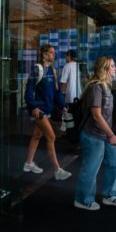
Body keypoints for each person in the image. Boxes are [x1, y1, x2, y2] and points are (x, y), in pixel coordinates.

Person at [74, 56, 116, 210]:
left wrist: (109, 135)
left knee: (115, 162)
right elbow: (96, 115)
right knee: (91, 168)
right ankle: (82, 199)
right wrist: (111, 135)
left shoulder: (105, 86)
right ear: (104, 69)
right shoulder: (96, 87)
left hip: (104, 134)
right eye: (112, 66)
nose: (115, 69)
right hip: (92, 135)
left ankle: (110, 194)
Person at [23, 44, 72, 181]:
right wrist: (34, 107)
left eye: (53, 53)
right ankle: (57, 170)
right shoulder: (37, 69)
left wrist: (63, 105)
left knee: (36, 136)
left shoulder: (52, 70)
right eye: (50, 53)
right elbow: (28, 92)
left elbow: (56, 93)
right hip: (39, 111)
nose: (53, 55)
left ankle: (28, 163)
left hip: (47, 109)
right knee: (51, 137)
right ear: (44, 54)